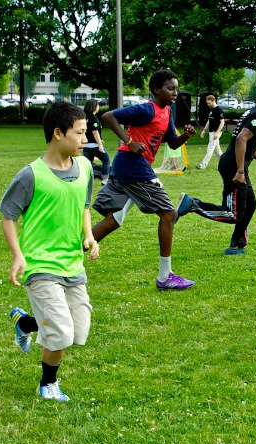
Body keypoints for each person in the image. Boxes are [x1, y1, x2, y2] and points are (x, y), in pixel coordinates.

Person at [1, 101, 99, 402]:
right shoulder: (31, 175)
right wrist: (18, 255)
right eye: (80, 133)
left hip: (72, 263)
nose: (86, 140)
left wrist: (89, 236)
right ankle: (47, 384)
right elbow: (8, 215)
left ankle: (26, 322)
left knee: (78, 330)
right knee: (60, 332)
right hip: (40, 264)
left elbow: (83, 206)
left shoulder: (84, 167)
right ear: (58, 133)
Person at [92, 69, 197, 290]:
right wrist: (129, 140)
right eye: (170, 88)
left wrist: (185, 136)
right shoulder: (146, 109)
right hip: (133, 165)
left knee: (113, 220)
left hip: (128, 167)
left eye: (176, 89)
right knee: (169, 214)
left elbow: (172, 143)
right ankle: (164, 276)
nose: (175, 93)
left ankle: (65, 256)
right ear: (157, 90)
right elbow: (107, 116)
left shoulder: (166, 111)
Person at [175, 84, 256, 255]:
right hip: (234, 167)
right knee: (232, 214)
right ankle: (192, 204)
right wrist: (240, 172)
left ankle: (237, 244)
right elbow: (242, 139)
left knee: (250, 205)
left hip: (233, 165)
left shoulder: (255, 113)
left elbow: (249, 147)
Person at [82, 99, 110, 185]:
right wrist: (100, 145)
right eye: (97, 105)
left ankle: (86, 179)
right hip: (95, 146)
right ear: (94, 107)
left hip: (86, 146)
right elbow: (95, 132)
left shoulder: (84, 118)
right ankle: (105, 179)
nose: (98, 107)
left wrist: (100, 139)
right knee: (106, 160)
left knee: (88, 164)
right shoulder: (94, 118)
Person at [196, 94, 225, 169]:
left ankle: (203, 165)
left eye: (209, 103)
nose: (208, 104)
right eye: (207, 103)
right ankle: (226, 163)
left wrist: (217, 132)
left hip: (215, 133)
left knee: (210, 149)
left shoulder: (219, 110)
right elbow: (209, 120)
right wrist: (204, 130)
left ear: (213, 101)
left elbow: (222, 122)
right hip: (211, 132)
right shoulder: (212, 110)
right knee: (217, 151)